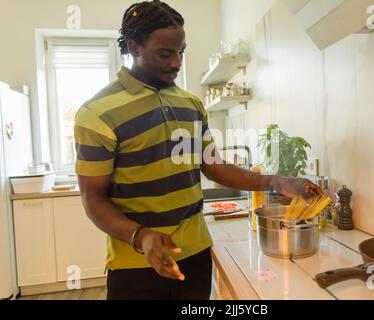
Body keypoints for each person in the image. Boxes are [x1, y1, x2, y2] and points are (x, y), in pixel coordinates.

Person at [74, 0, 322, 300]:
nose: (176, 63)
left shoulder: (190, 104)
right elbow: (93, 199)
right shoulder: (97, 113)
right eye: (165, 53)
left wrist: (274, 181)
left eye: (181, 53)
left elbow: (213, 165)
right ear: (134, 47)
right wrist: (140, 236)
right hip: (134, 265)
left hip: (195, 256)